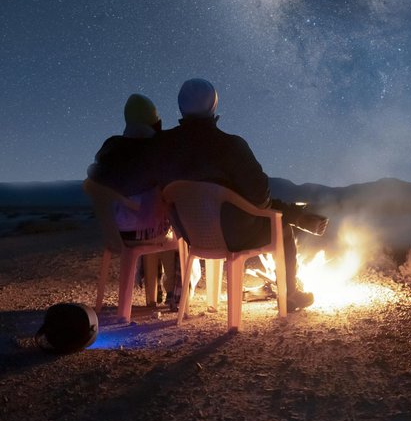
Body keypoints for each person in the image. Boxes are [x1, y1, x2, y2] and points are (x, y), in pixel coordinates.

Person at [157, 78, 324, 311]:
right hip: (233, 235)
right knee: (282, 228)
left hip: (190, 236)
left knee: (275, 215)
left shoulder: (164, 146)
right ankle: (290, 295)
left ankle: (296, 217)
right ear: (214, 106)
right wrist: (285, 213)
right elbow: (260, 199)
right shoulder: (231, 146)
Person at [88, 93, 180, 308]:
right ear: (154, 122)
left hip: (115, 232)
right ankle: (174, 295)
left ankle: (152, 294)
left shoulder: (110, 146)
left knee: (153, 217)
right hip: (145, 232)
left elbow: (95, 174)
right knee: (176, 233)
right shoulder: (157, 148)